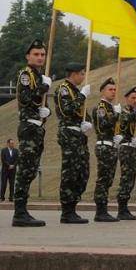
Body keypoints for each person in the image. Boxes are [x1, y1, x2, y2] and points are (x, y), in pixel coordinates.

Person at [12, 39, 52, 227]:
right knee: (25, 170)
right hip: (28, 127)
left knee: (31, 170)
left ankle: (23, 210)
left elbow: (41, 104)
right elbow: (26, 98)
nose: (40, 57)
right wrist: (44, 87)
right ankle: (19, 213)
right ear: (28, 56)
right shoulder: (26, 74)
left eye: (42, 54)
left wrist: (47, 112)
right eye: (36, 54)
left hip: (37, 127)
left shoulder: (39, 76)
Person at [54, 63, 90, 224]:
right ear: (74, 74)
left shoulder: (75, 91)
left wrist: (87, 122)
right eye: (82, 73)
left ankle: (73, 206)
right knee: (70, 172)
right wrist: (82, 96)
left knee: (82, 172)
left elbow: (83, 113)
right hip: (69, 134)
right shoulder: (64, 89)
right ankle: (67, 211)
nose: (83, 76)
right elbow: (67, 110)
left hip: (79, 135)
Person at [91, 77, 120, 222]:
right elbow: (103, 124)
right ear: (103, 91)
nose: (113, 92)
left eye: (114, 89)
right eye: (110, 89)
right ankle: (100, 211)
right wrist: (116, 115)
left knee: (108, 179)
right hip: (104, 146)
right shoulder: (101, 108)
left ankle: (104, 210)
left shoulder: (110, 108)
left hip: (111, 146)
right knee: (103, 179)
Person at [116, 86, 136, 220]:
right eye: (133, 98)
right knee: (126, 178)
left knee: (131, 178)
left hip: (132, 148)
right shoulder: (123, 111)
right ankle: (121, 209)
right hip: (125, 148)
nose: (135, 100)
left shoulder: (134, 112)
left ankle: (125, 207)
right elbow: (125, 120)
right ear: (126, 98)